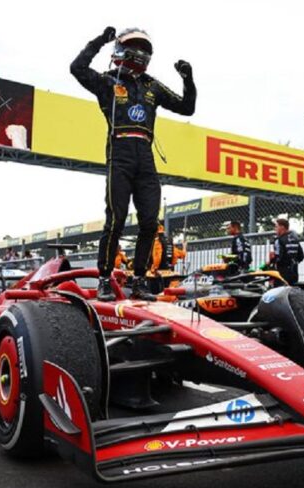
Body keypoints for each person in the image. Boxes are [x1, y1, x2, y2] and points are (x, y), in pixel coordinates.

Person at [70, 26, 196, 300]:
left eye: (143, 48)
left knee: (151, 222)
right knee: (115, 219)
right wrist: (100, 40)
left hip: (146, 157)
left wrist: (188, 78)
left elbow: (187, 107)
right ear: (120, 50)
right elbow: (76, 68)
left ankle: (139, 280)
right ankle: (104, 279)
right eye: (133, 47)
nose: (139, 52)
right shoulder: (106, 81)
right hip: (120, 152)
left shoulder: (152, 85)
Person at [269, 218, 304, 284]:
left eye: (276, 226)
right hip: (294, 272)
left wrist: (271, 260)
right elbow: (301, 256)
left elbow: (278, 258)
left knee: (278, 292)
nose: (275, 229)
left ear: (282, 227)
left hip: (281, 273)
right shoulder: (295, 240)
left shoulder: (278, 240)